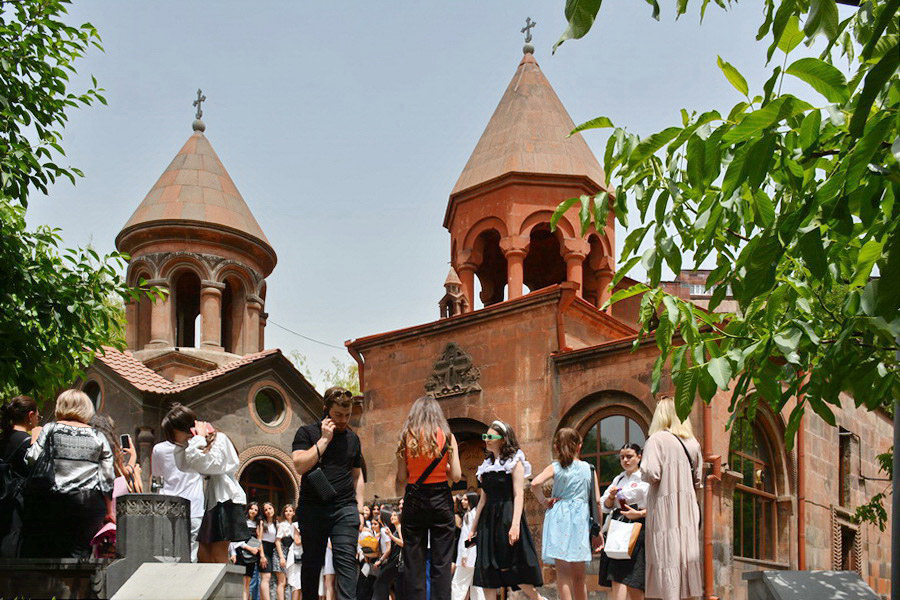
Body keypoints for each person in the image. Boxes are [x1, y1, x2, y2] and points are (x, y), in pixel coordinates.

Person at [291, 386, 365, 600]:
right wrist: (324, 440)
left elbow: (357, 475)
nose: (343, 420)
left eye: (347, 415)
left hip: (345, 508)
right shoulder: (307, 433)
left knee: (346, 563)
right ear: (325, 410)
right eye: (338, 415)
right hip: (312, 509)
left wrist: (359, 509)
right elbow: (299, 465)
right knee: (312, 563)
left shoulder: (353, 439)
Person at [22, 389, 114, 558]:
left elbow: (31, 459)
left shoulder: (50, 428)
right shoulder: (98, 436)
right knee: (79, 553)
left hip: (54, 501)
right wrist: (109, 511)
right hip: (89, 504)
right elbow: (107, 477)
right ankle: (76, 583)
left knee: (52, 553)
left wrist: (34, 440)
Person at [394, 396, 462, 600]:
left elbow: (402, 477)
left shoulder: (406, 436)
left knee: (414, 563)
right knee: (441, 563)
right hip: (441, 498)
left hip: (415, 499)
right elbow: (457, 476)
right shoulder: (448, 436)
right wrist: (444, 466)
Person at [467, 421, 544, 600]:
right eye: (485, 437)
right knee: (486, 568)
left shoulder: (514, 460)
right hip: (488, 520)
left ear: (503, 439)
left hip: (507, 515)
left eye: (490, 437)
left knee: (511, 565)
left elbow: (519, 494)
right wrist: (473, 528)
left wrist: (515, 524)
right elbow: (482, 500)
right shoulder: (486, 465)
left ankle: (538, 598)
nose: (486, 440)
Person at [162, 403, 247, 563]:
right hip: (212, 503)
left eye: (173, 434)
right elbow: (184, 465)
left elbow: (207, 464)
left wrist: (198, 438)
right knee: (204, 555)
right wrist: (185, 444)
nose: (173, 440)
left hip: (226, 500)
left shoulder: (219, 439)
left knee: (216, 554)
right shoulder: (197, 444)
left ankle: (224, 588)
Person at [640, 396, 702, 600]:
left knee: (666, 554)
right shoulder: (693, 443)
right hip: (688, 510)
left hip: (665, 509)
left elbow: (651, 474)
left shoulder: (656, 440)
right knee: (686, 557)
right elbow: (698, 480)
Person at [530, 428, 599, 600]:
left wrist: (543, 501)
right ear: (579, 446)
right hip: (580, 520)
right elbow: (597, 501)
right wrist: (598, 531)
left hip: (559, 517)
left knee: (563, 573)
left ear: (556, 447)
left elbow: (535, 483)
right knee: (579, 575)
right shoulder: (588, 469)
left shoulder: (556, 467)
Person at [597, 443, 649, 600]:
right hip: (619, 526)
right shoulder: (618, 478)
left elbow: (655, 506)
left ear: (639, 457)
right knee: (615, 574)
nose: (625, 460)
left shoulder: (645, 478)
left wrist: (639, 513)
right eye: (622, 457)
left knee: (635, 578)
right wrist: (612, 497)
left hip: (638, 527)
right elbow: (605, 506)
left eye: (629, 456)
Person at [152, 438, 205, 561]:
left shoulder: (159, 449)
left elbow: (157, 474)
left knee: (167, 552)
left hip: (168, 505)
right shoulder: (197, 446)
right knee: (191, 554)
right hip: (194, 506)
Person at [0, 395, 38, 557]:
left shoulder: (3, 438)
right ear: (30, 416)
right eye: (38, 415)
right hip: (16, 505)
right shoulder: (28, 443)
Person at [450, 491, 484, 600]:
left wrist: (464, 555)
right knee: (476, 587)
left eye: (465, 499)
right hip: (473, 556)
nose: (463, 502)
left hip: (467, 556)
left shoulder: (470, 515)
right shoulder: (474, 514)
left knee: (458, 584)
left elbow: (467, 536)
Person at [230, 502, 263, 600]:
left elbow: (259, 540)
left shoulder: (257, 524)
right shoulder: (242, 521)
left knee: (248, 581)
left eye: (256, 510)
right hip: (241, 553)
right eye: (251, 508)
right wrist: (234, 553)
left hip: (252, 556)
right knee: (240, 581)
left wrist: (260, 526)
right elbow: (235, 540)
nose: (253, 511)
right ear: (248, 509)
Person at [372, 509, 403, 600]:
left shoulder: (399, 527)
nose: (392, 517)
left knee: (381, 581)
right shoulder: (396, 528)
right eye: (392, 515)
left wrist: (390, 536)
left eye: (395, 515)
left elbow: (403, 543)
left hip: (396, 561)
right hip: (394, 560)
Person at [276, 504, 298, 600]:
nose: (288, 513)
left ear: (293, 512)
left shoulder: (296, 524)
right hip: (282, 552)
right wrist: (281, 557)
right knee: (282, 581)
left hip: (292, 553)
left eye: (290, 511)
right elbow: (277, 541)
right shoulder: (282, 525)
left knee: (291, 580)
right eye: (286, 511)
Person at [259, 501, 279, 600]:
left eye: (269, 508)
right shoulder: (262, 523)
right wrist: (262, 555)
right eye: (265, 510)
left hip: (273, 550)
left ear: (274, 509)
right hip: (264, 549)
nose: (268, 511)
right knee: (266, 577)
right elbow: (259, 540)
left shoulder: (277, 523)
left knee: (269, 578)